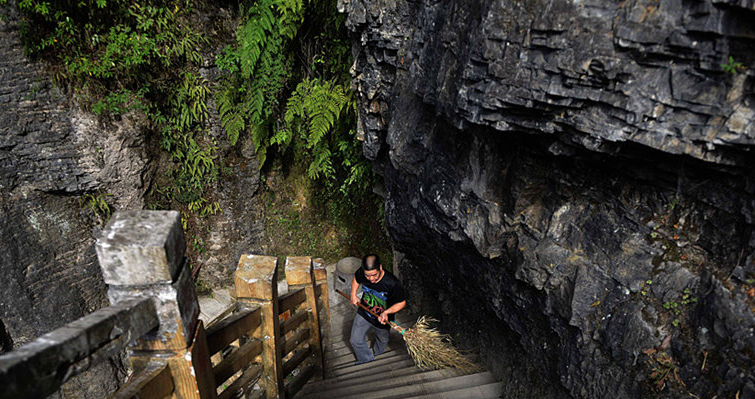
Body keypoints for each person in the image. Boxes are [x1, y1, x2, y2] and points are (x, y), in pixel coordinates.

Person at [349, 254, 407, 365]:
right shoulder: (362, 272)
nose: (371, 279)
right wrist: (353, 294)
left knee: (382, 340)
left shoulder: (392, 283)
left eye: (374, 275)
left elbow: (402, 303)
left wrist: (386, 312)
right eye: (367, 276)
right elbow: (356, 279)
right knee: (355, 340)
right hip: (365, 311)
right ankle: (366, 359)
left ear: (380, 268)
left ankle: (378, 355)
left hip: (383, 319)